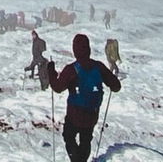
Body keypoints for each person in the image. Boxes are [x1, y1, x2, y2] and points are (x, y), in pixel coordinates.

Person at [48, 34, 121, 162]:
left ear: (75, 49)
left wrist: (51, 72)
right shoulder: (98, 66)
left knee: (68, 137)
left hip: (74, 114)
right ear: (88, 48)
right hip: (92, 114)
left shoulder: (72, 69)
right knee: (85, 140)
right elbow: (116, 86)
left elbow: (57, 87)